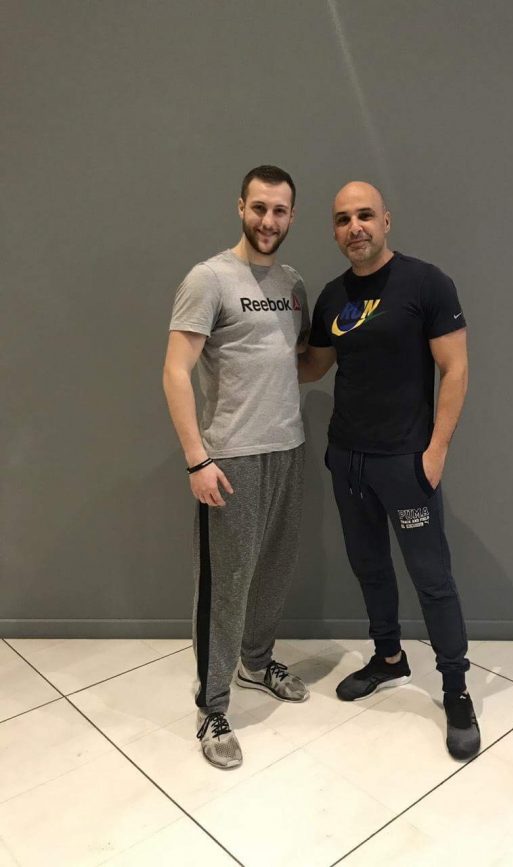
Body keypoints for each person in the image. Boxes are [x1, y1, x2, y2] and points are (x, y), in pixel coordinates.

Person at [298, 181, 480, 760]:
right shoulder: (332, 296)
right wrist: (251, 345)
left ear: (386, 220)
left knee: (432, 578)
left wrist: (436, 451)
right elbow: (313, 367)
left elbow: (455, 369)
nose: (355, 227)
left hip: (405, 461)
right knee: (370, 566)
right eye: (343, 219)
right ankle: (389, 658)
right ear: (334, 230)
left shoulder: (427, 283)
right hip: (347, 458)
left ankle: (455, 689)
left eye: (365, 215)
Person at [163, 165, 310, 769]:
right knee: (226, 585)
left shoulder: (294, 285)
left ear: (291, 216)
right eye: (259, 208)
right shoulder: (209, 279)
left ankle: (256, 661)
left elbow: (296, 359)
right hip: (230, 458)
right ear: (240, 207)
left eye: (279, 210)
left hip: (288, 448)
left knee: (273, 569)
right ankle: (213, 705)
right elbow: (175, 371)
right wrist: (197, 459)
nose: (268, 220)